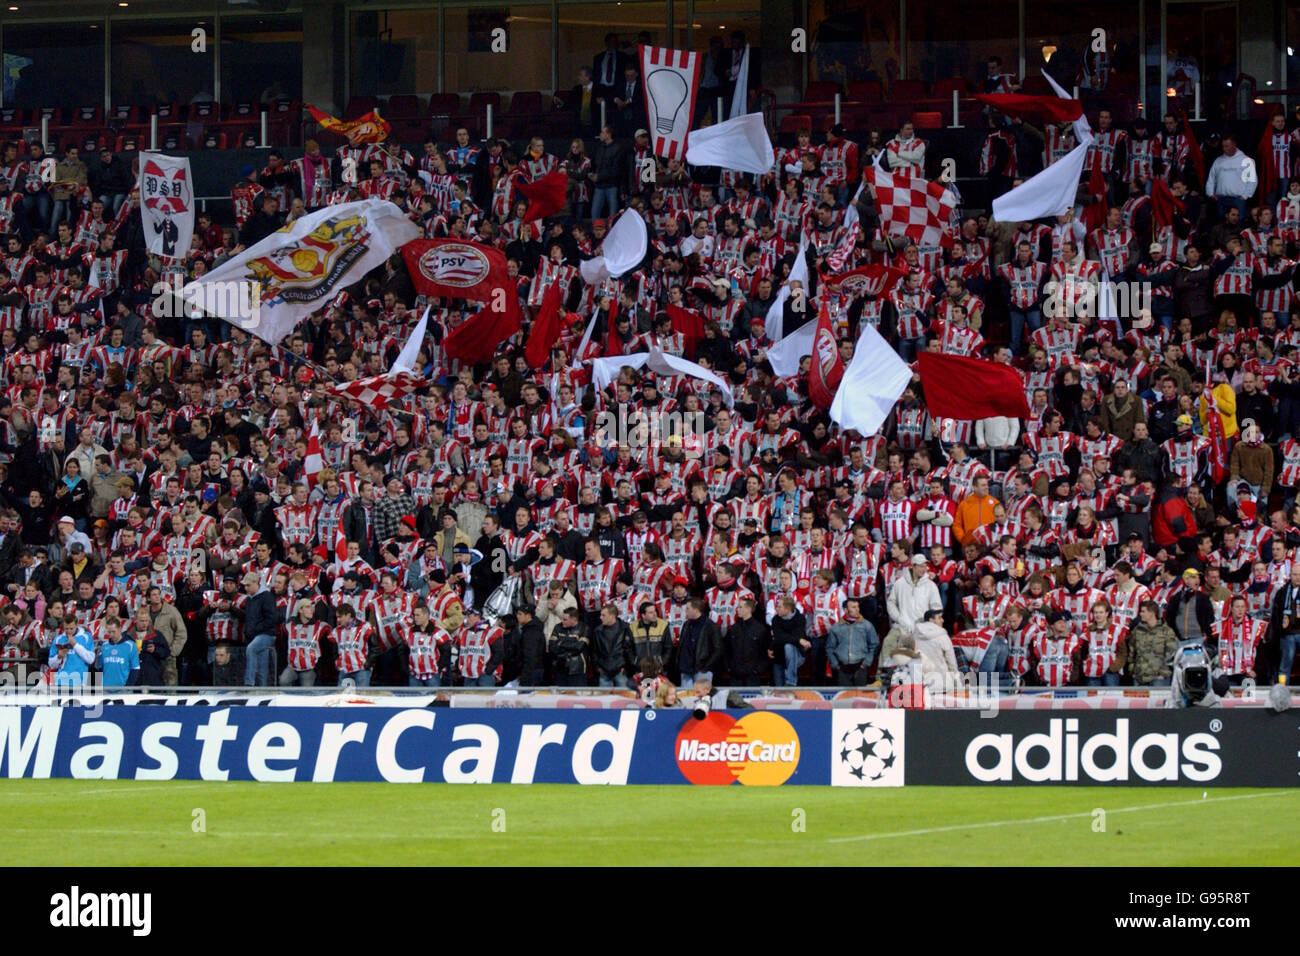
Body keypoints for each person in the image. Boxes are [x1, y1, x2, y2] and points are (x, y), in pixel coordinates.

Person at [824, 597, 879, 686]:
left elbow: (874, 645)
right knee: (843, 697)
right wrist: (835, 665)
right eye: (853, 607)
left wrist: (866, 663)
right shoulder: (836, 627)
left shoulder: (867, 626)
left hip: (860, 666)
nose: (857, 609)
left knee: (860, 697)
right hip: (842, 668)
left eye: (858, 607)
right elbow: (829, 648)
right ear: (846, 610)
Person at [241, 570, 280, 687]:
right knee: (262, 664)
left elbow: (272, 618)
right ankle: (263, 688)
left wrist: (255, 629)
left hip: (267, 634)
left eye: (248, 585)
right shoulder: (249, 599)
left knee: (251, 649)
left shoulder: (267, 597)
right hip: (255, 634)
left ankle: (249, 683)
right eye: (245, 586)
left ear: (256, 583)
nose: (246, 588)